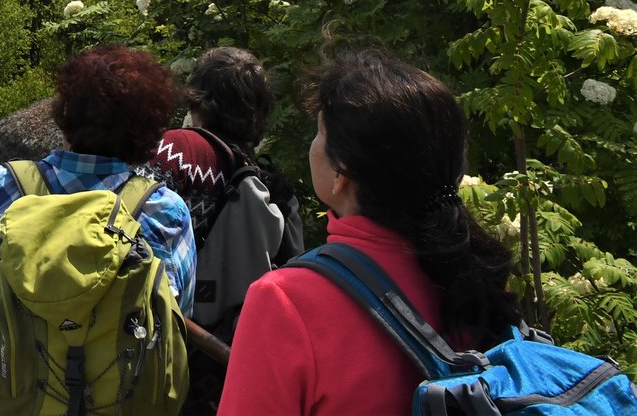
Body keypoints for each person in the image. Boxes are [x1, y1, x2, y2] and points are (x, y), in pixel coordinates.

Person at [219, 48, 518, 415]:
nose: (313, 146)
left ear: (341, 169)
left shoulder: (286, 302)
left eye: (320, 133)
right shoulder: (478, 278)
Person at [0, 44, 198, 416]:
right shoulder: (165, 212)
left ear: (64, 115)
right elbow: (174, 323)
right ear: (147, 131)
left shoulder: (6, 187)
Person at [146, 47, 303, 412]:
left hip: (167, 347)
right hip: (235, 360)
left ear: (197, 97)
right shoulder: (268, 182)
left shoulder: (171, 151)